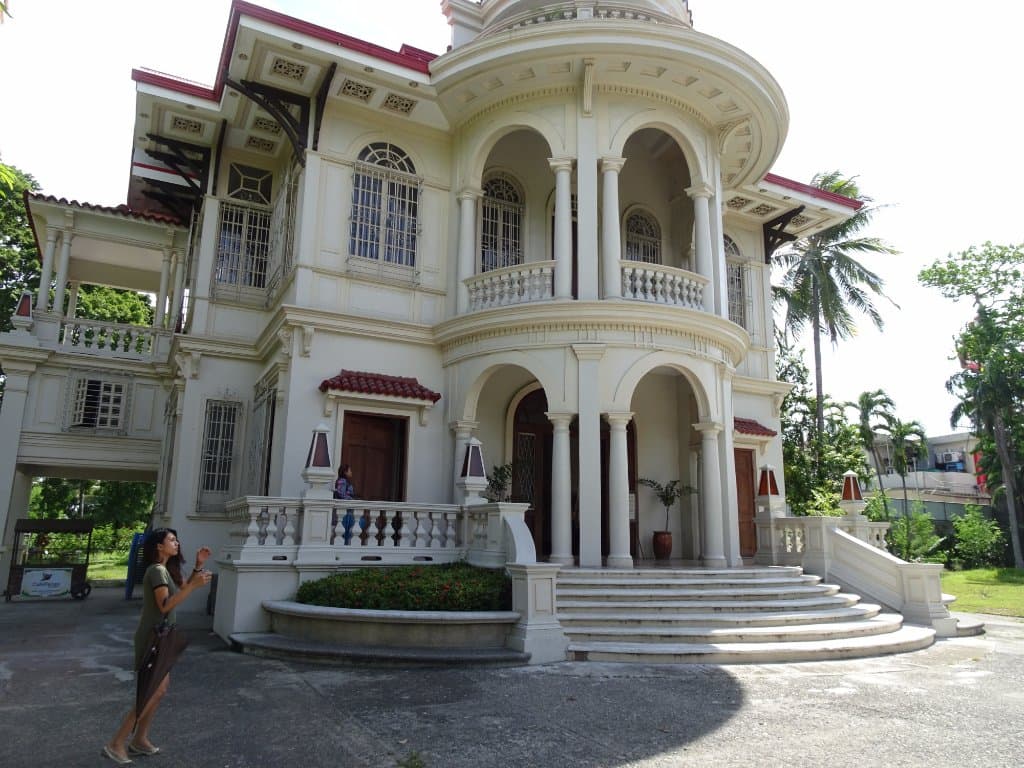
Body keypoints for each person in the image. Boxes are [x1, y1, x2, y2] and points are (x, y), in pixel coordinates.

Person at [103, 528, 213, 765]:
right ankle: (116, 743)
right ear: (159, 547)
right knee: (150, 692)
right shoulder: (156, 571)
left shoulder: (167, 570)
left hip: (165, 636)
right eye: (171, 540)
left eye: (176, 539)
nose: (177, 543)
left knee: (159, 690)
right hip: (152, 637)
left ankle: (139, 739)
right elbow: (164, 605)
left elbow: (183, 590)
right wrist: (194, 586)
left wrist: (197, 566)